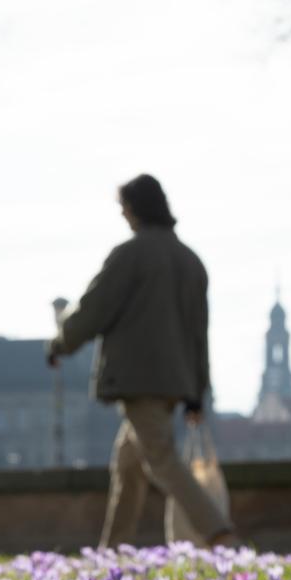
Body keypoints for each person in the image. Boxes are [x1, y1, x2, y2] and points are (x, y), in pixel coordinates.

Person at [46, 174, 237, 549]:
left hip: (138, 380)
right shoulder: (191, 262)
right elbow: (199, 334)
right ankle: (113, 551)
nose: (123, 216)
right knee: (128, 465)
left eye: (123, 209)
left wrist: (59, 344)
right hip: (176, 383)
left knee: (161, 460)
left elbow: (92, 311)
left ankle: (219, 533)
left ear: (134, 210)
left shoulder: (130, 255)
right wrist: (197, 393)